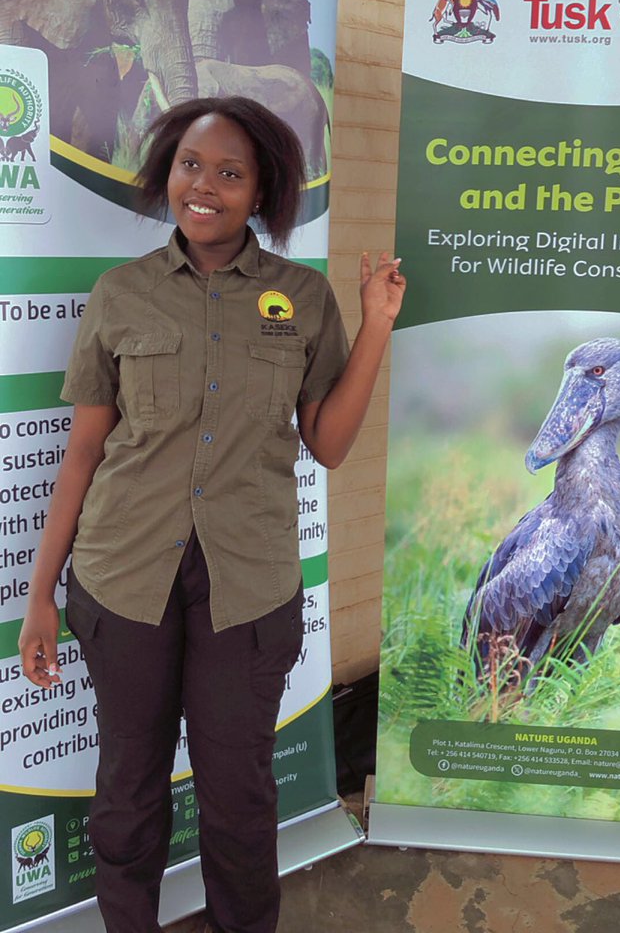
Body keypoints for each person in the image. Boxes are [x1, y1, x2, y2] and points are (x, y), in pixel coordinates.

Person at [18, 96, 406, 933]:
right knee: (128, 785)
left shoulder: (301, 298)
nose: (206, 187)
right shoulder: (120, 295)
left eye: (231, 173)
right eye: (192, 165)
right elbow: (82, 455)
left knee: (238, 794)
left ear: (260, 191)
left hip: (248, 587)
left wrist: (375, 325)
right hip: (123, 579)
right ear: (167, 174)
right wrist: (41, 595)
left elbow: (328, 445)